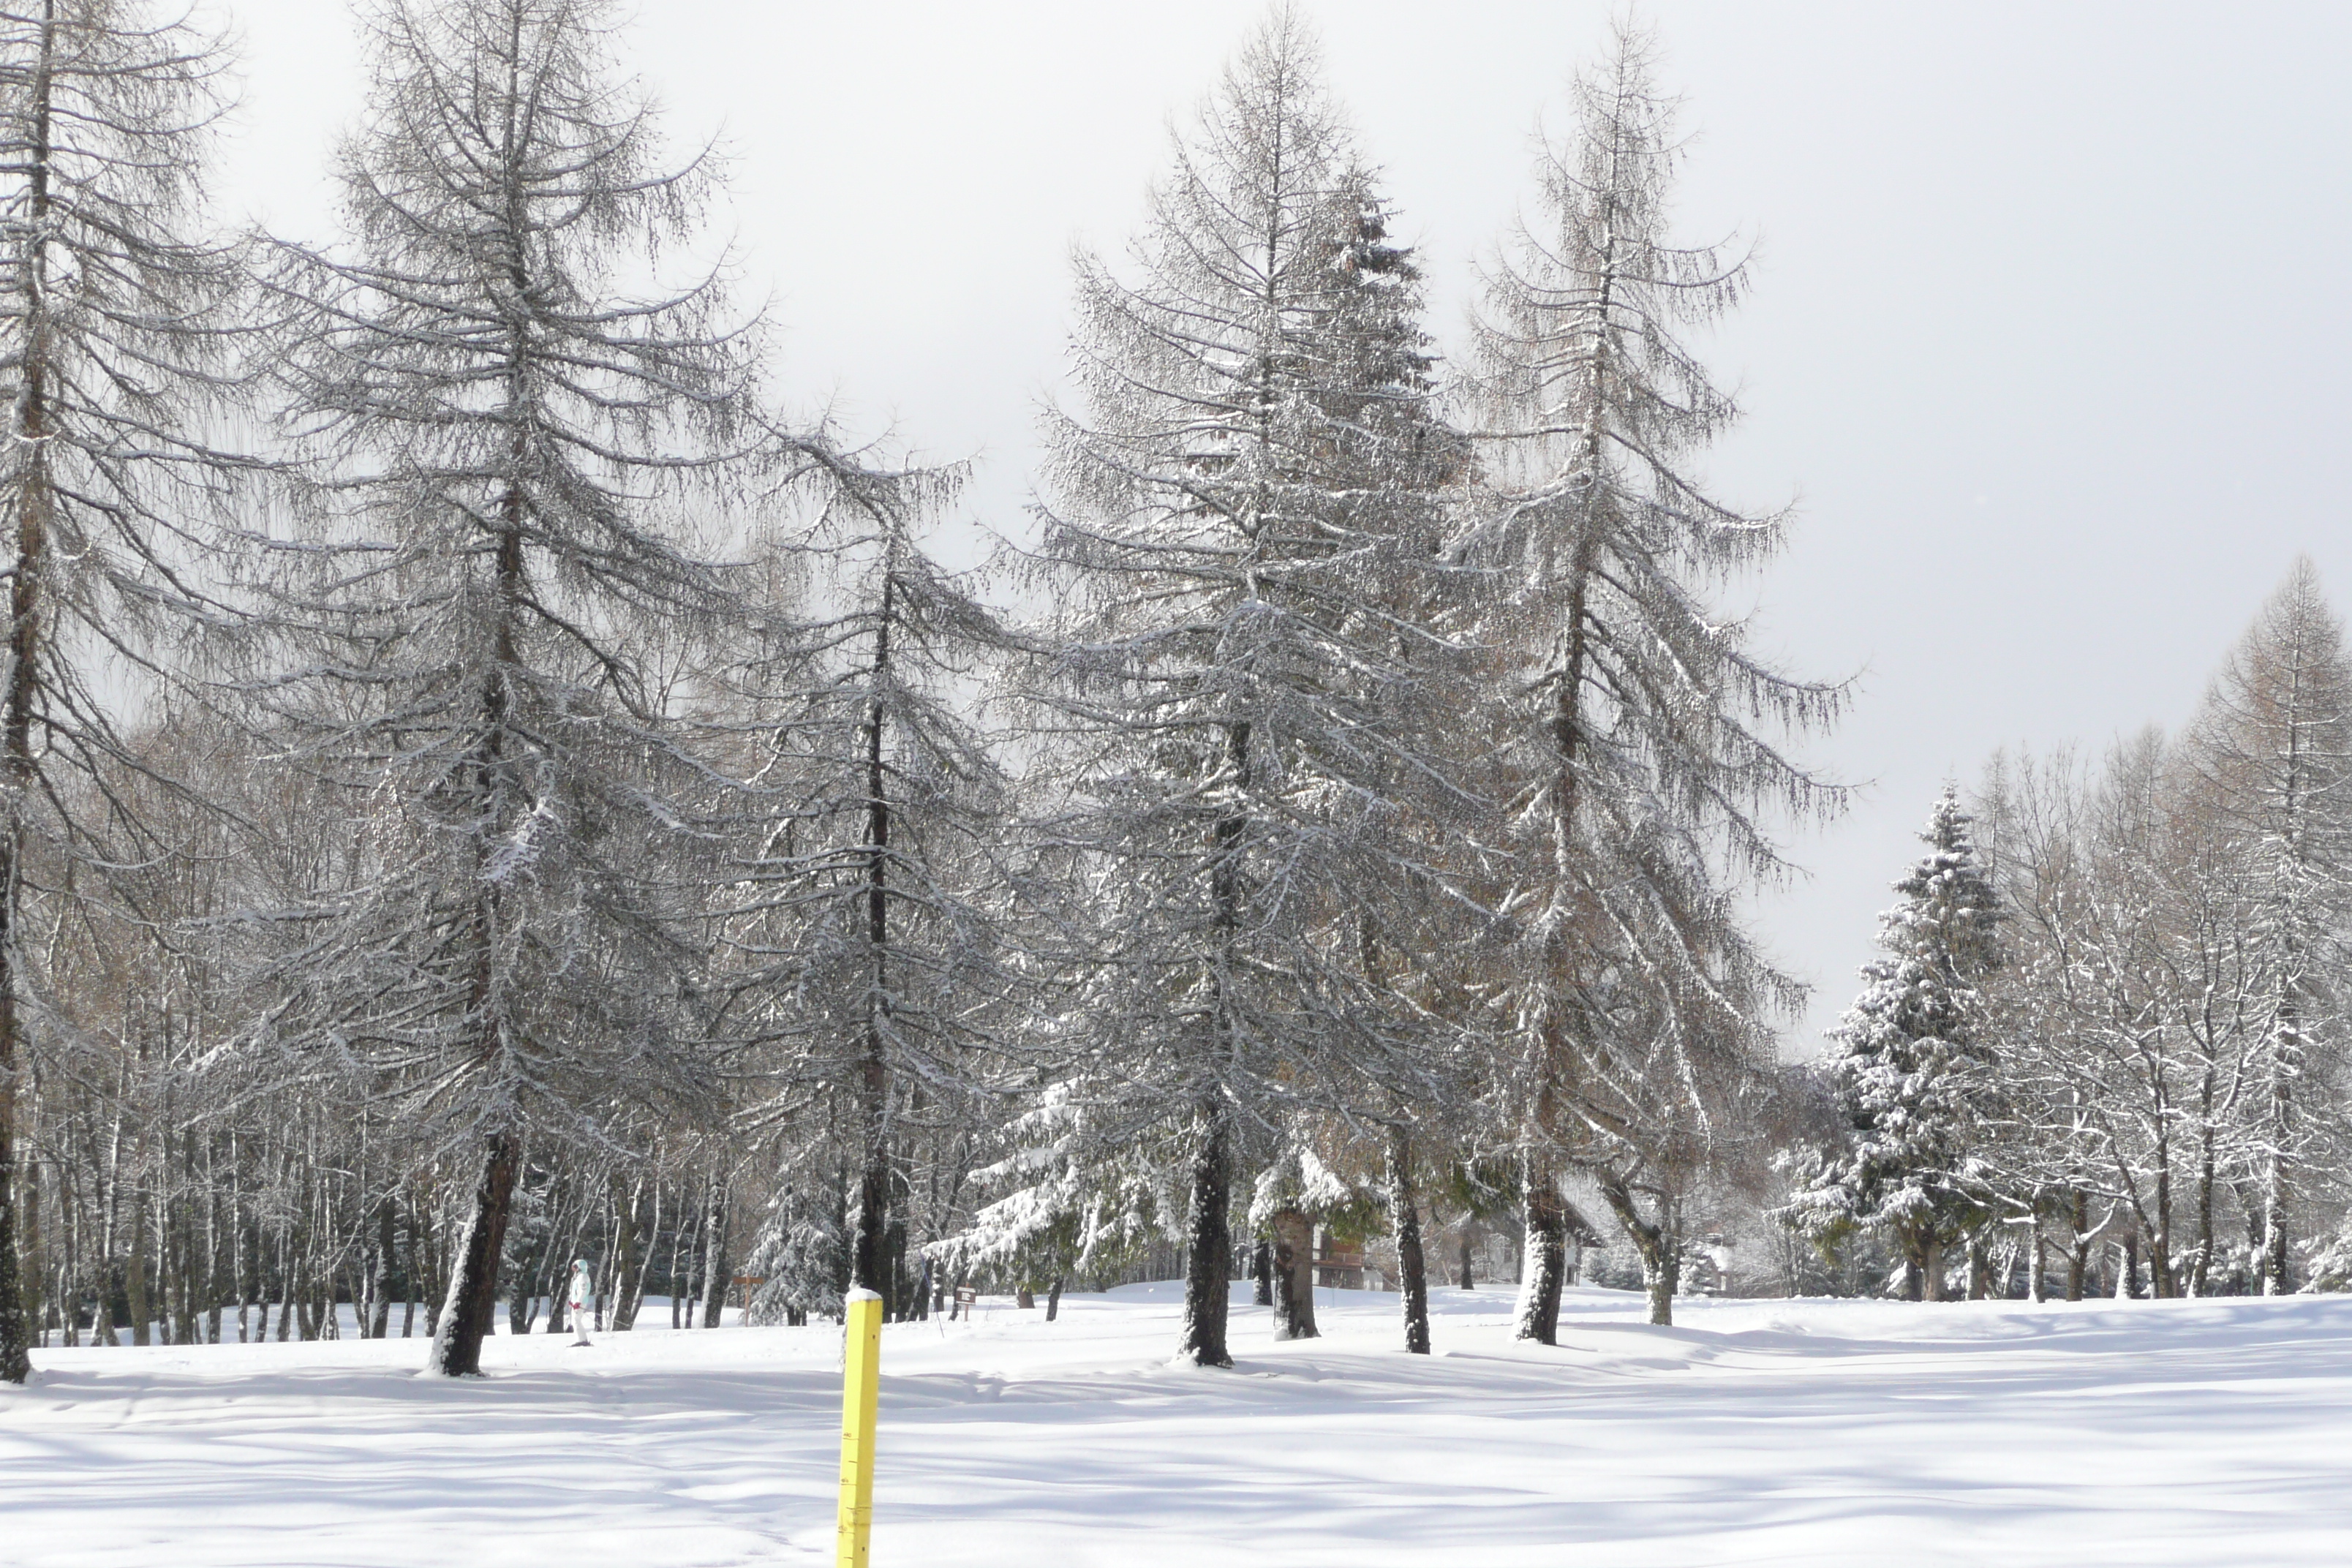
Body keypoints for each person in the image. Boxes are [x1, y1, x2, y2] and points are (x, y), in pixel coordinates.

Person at [567, 1259, 595, 1348]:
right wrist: (572, 1301)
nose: (574, 1269)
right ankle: (581, 1339)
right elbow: (576, 1291)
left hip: (580, 1302)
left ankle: (582, 1340)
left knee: (576, 1320)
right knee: (575, 1321)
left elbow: (583, 1291)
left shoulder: (583, 1277)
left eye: (575, 1267)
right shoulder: (579, 1277)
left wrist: (578, 1302)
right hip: (577, 1302)